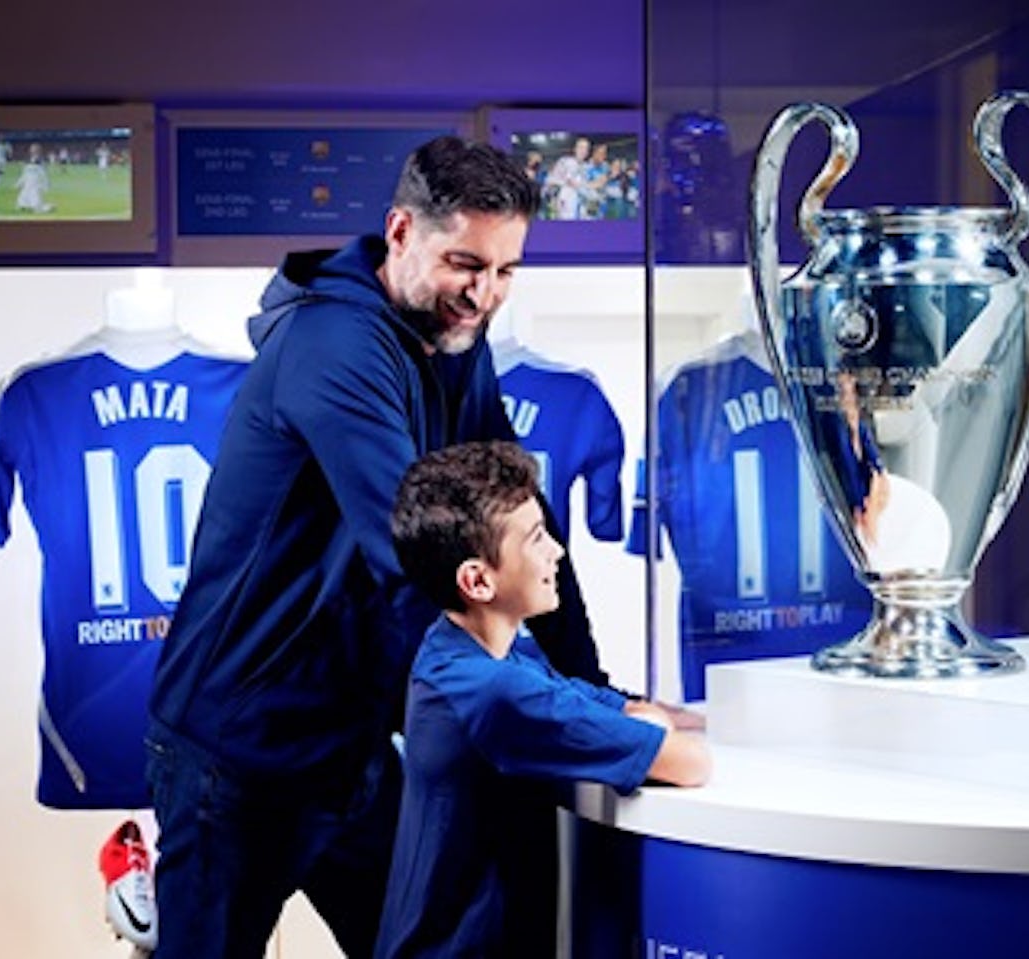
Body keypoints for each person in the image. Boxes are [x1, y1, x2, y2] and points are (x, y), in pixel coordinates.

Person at [145, 135, 614, 958]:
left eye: (506, 271)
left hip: (348, 747)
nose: (484, 294)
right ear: (401, 232)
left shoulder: (456, 341)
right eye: (467, 263)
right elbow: (419, 566)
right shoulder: (337, 349)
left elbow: (524, 518)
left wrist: (589, 684)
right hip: (236, 752)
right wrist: (554, 713)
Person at [377, 440, 711, 958]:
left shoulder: (470, 653)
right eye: (535, 539)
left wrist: (643, 717)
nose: (556, 551)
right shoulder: (498, 692)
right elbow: (690, 763)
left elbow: (600, 702)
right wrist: (653, 728)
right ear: (477, 580)